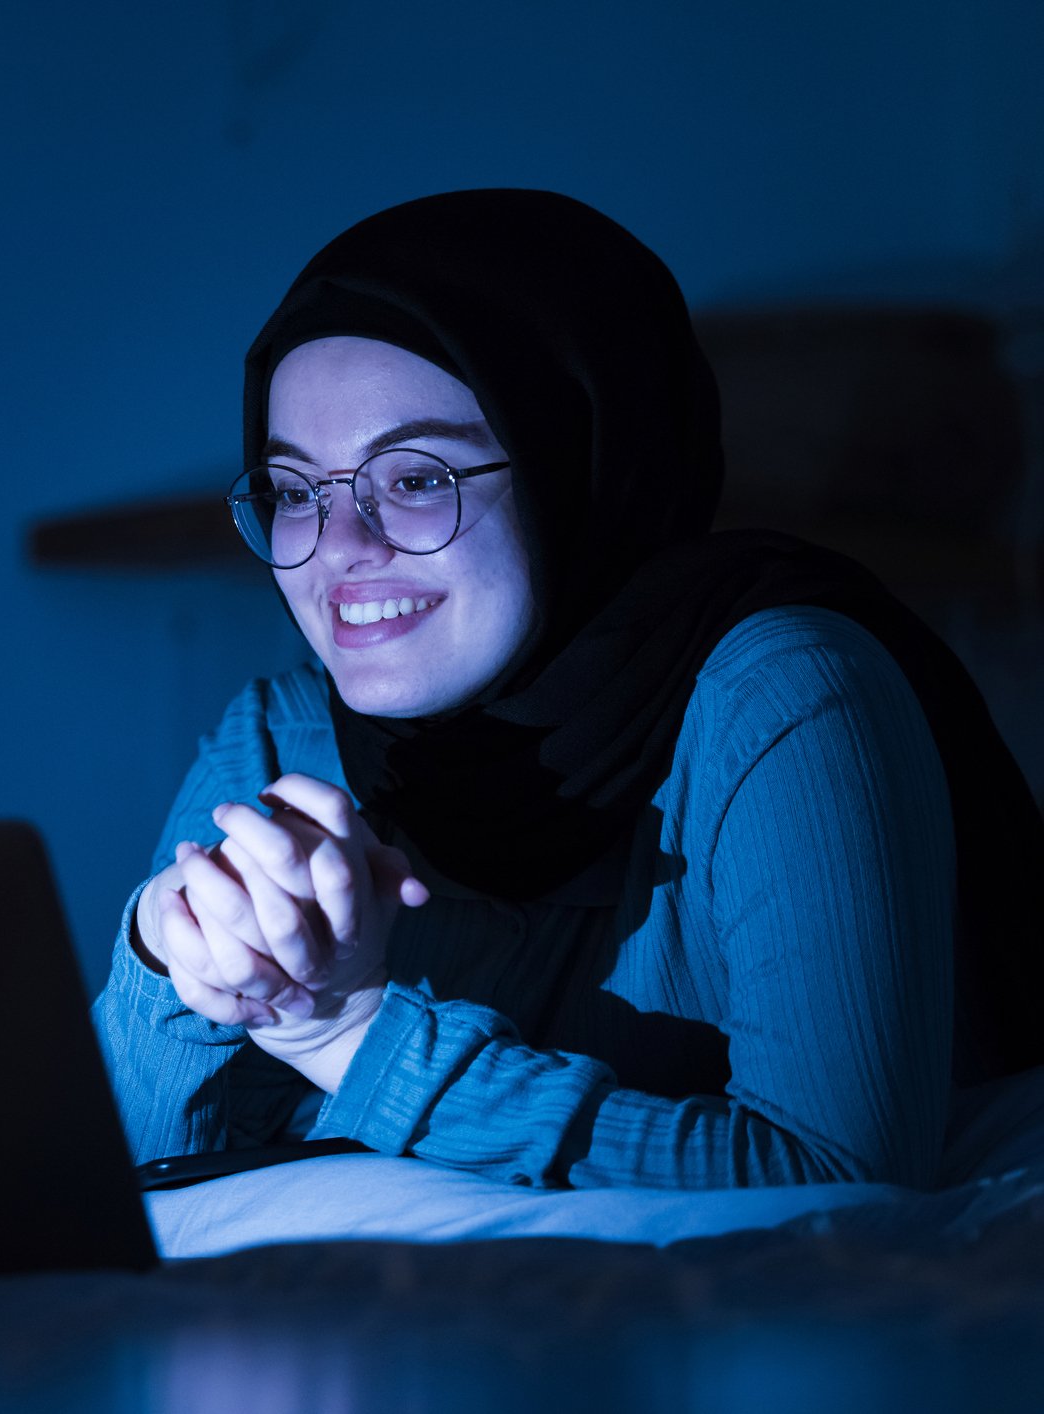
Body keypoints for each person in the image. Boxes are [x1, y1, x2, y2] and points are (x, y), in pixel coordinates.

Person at [93, 189, 1044, 1191]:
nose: (338, 550)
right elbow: (119, 1197)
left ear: (581, 469)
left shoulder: (784, 701)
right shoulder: (282, 741)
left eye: (414, 477)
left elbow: (837, 1177)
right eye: (293, 492)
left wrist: (355, 1039)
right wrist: (163, 961)